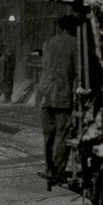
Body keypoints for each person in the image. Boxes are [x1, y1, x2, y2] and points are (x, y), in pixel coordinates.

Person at [37, 14, 78, 184]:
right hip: (62, 94)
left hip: (45, 93)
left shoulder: (48, 43)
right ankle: (56, 171)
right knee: (62, 134)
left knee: (49, 135)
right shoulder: (75, 43)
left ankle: (48, 168)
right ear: (71, 28)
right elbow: (78, 71)